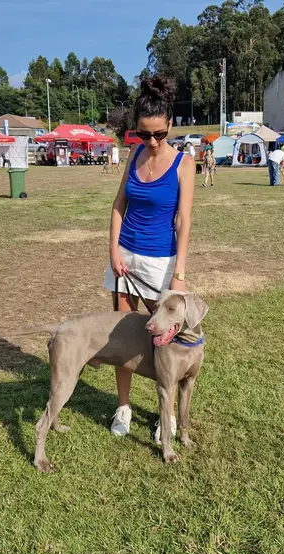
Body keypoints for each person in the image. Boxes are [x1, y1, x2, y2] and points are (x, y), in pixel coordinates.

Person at [105, 75, 196, 444]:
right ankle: (124, 407)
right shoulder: (134, 154)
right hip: (124, 256)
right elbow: (118, 204)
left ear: (170, 125)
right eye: (144, 134)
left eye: (159, 133)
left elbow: (184, 221)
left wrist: (180, 275)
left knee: (166, 342)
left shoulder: (184, 164)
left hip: (162, 261)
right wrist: (113, 250)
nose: (153, 141)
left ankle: (167, 415)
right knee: (122, 336)